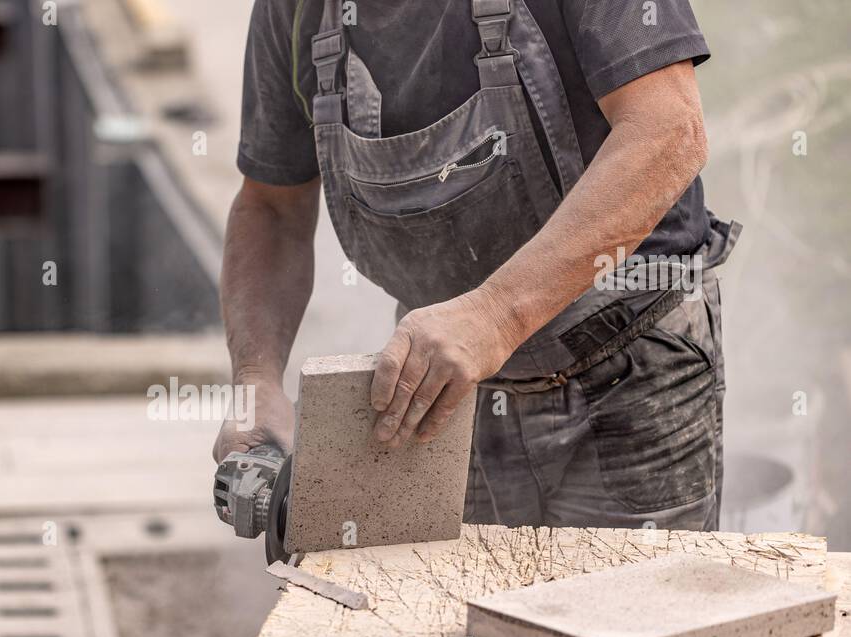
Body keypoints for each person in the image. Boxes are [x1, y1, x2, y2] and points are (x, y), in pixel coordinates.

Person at [214, 0, 740, 529]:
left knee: (617, 605)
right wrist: (256, 381)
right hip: (446, 391)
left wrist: (494, 316)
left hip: (631, 366)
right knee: (454, 606)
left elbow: (668, 132)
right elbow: (272, 208)